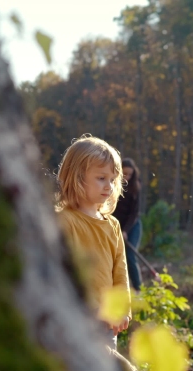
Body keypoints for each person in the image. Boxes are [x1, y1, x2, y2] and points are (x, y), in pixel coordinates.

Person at [55, 134, 131, 341]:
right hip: (74, 322)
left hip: (107, 324)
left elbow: (120, 271)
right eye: (101, 178)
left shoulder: (112, 225)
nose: (109, 186)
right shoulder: (64, 221)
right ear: (77, 176)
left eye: (113, 180)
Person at [113, 158, 143, 291]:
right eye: (124, 174)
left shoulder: (134, 188)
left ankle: (138, 289)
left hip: (132, 226)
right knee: (115, 257)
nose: (127, 177)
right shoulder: (111, 187)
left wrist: (125, 230)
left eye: (130, 175)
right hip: (115, 227)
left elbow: (134, 214)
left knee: (130, 255)